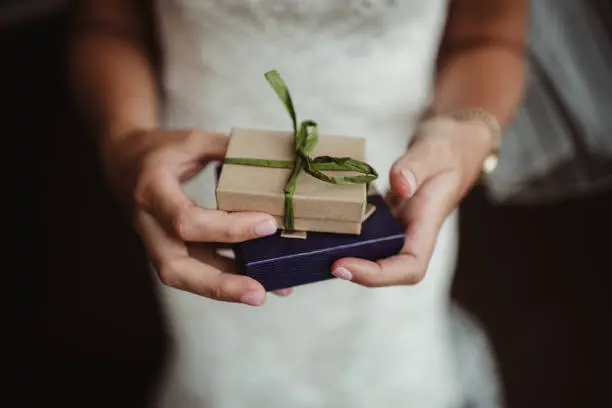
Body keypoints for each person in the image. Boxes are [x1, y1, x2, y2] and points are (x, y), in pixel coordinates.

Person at [70, 1, 527, 407]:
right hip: (197, 190)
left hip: (397, 185)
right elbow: (107, 21)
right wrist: (126, 140)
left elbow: (487, 36)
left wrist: (467, 134)